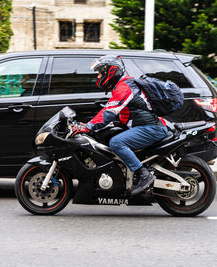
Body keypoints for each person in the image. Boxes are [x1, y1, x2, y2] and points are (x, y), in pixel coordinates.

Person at [71, 55, 168, 195]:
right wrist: (93, 125)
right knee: (108, 134)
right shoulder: (121, 86)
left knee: (116, 143)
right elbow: (124, 114)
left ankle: (144, 174)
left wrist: (88, 126)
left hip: (152, 128)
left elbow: (110, 111)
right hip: (144, 126)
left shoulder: (124, 87)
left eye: (100, 73)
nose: (98, 77)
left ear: (110, 72)